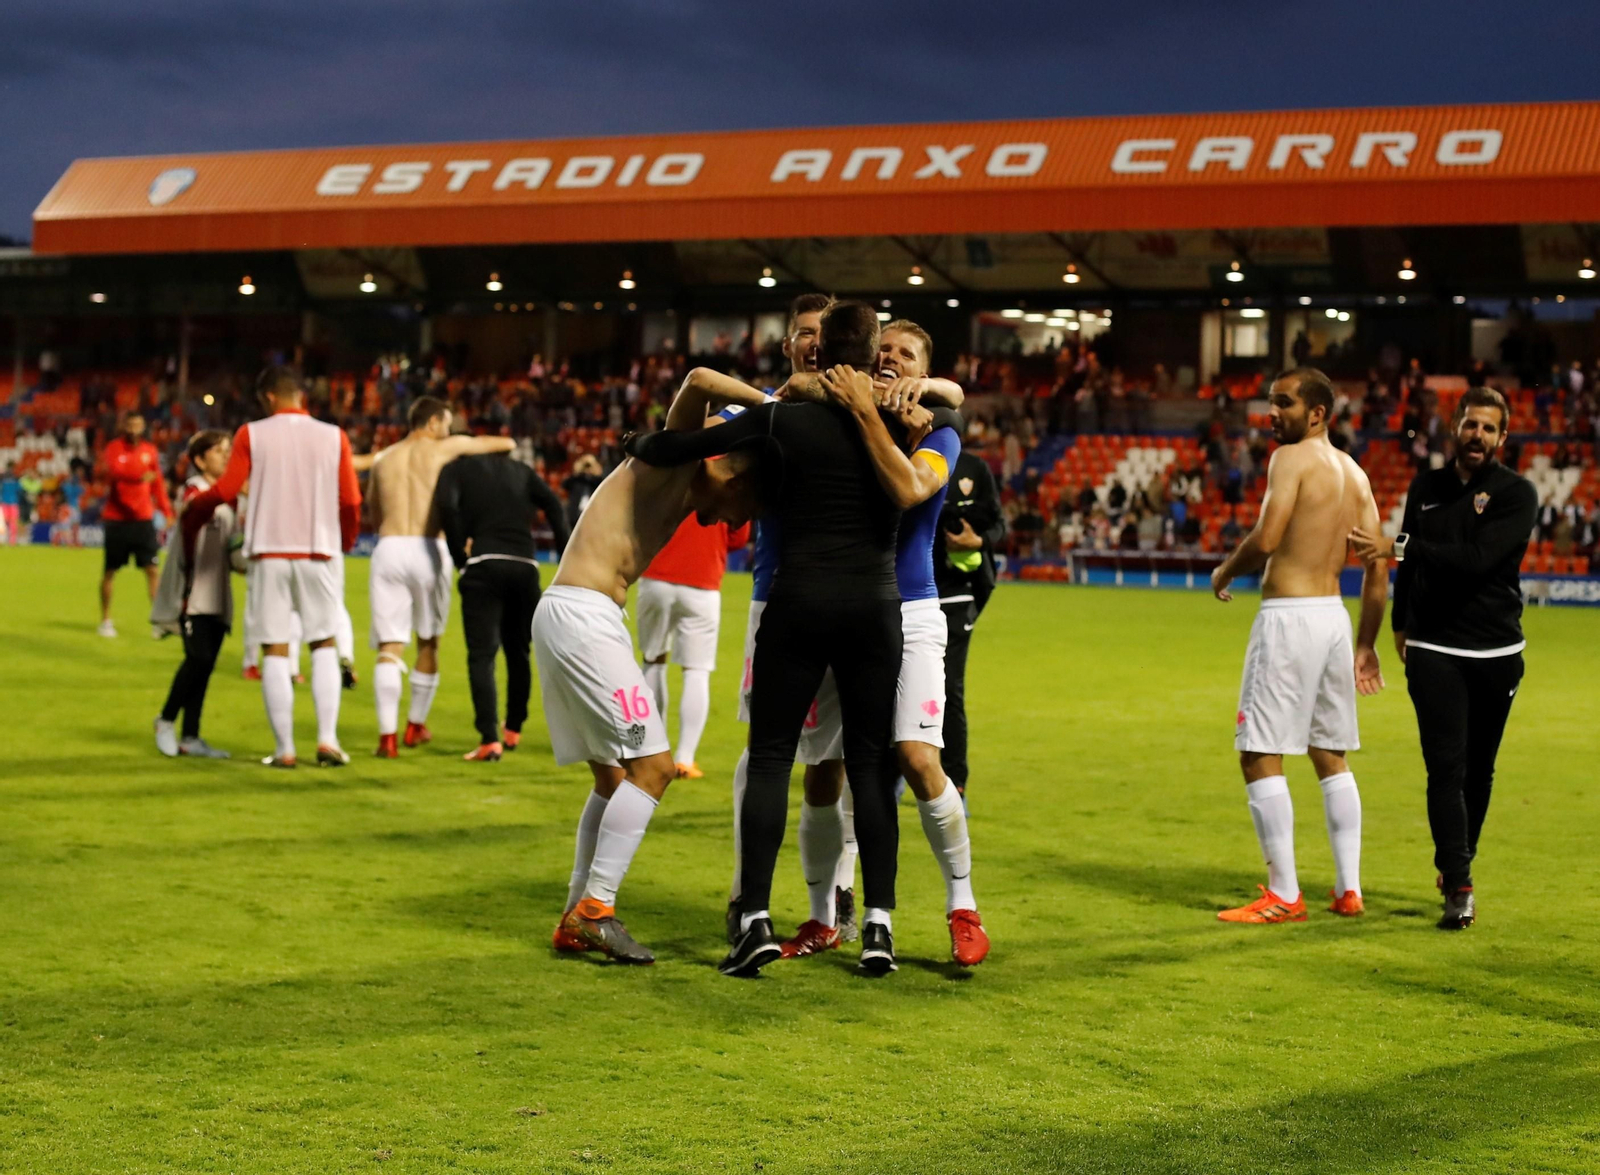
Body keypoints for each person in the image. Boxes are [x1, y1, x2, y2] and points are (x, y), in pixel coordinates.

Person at [628, 301, 948, 979]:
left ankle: (753, 919)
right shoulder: (904, 422)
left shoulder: (781, 418)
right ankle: (879, 927)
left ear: (819, 350)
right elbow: (947, 411)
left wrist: (640, 444)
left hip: (796, 601)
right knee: (869, 766)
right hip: (875, 609)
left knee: (772, 759)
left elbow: (682, 448)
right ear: (874, 357)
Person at [536, 367, 760, 965]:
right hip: (583, 617)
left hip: (575, 612)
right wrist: (771, 402)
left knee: (613, 781)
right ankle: (595, 911)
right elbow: (700, 379)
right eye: (742, 506)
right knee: (655, 768)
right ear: (731, 472)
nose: (728, 522)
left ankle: (576, 912)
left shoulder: (679, 477)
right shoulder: (673, 458)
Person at [784, 319, 989, 968]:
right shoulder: (843, 416)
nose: (892, 358)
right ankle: (824, 916)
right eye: (885, 351)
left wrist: (924, 394)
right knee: (823, 769)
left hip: (914, 609)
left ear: (923, 371)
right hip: (842, 608)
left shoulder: (941, 430)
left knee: (918, 758)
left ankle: (963, 905)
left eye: (907, 355)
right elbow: (797, 386)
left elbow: (914, 484)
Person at [1349, 387, 1536, 931]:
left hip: (1497, 649)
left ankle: (1460, 856)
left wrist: (1400, 546)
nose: (1477, 435)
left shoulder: (1517, 494)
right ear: (1455, 427)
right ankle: (1458, 883)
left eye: (1488, 428)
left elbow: (1478, 560)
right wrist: (1400, 624)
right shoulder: (1425, 487)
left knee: (1480, 769)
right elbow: (1410, 566)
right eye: (1470, 424)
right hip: (1434, 648)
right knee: (1445, 767)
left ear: (1502, 437)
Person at [1210, 367, 1388, 924]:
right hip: (1334, 619)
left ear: (1317, 414)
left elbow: (1267, 538)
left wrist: (1224, 570)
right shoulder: (1356, 474)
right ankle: (1349, 888)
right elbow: (1379, 567)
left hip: (1289, 618)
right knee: (1329, 752)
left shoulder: (1289, 459)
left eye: (1283, 403)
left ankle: (1284, 894)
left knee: (1259, 752)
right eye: (1270, 401)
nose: (1271, 412)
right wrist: (1366, 643)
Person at [183, 366, 361, 768]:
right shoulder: (334, 436)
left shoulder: (252, 433)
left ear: (268, 397)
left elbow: (227, 489)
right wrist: (345, 540)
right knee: (323, 643)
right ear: (302, 395)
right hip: (318, 552)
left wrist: (194, 508)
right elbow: (351, 500)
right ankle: (328, 740)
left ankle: (284, 749)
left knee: (275, 650)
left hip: (268, 553)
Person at [365, 398, 515, 757]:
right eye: (445, 424)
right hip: (428, 548)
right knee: (428, 641)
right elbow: (505, 444)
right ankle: (414, 725)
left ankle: (387, 737)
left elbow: (374, 508)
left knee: (389, 645)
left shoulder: (384, 458)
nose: (448, 431)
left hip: (388, 547)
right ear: (432, 422)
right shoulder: (443, 448)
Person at [434, 451, 571, 762]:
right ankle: (513, 728)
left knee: (482, 655)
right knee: (519, 652)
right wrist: (566, 553)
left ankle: (489, 740)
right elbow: (553, 503)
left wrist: (459, 556)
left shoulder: (457, 468)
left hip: (484, 564)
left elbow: (446, 505)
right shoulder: (522, 470)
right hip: (525, 567)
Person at [637, 513, 750, 779]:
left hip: (657, 576)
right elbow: (739, 535)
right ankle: (685, 759)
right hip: (703, 579)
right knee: (696, 671)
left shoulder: (664, 482)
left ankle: (654, 752)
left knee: (653, 661)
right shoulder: (727, 486)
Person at [152, 430, 237, 759]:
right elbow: (196, 512)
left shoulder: (228, 499)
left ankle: (191, 735)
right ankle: (165, 720)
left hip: (219, 595)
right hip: (194, 594)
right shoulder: (195, 491)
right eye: (219, 451)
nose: (226, 456)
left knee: (206, 667)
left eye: (229, 450)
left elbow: (232, 551)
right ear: (200, 460)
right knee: (197, 659)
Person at [935, 442, 1005, 798]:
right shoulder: (902, 457)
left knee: (949, 689)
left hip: (957, 595)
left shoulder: (974, 469)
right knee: (895, 688)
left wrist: (978, 541)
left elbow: (999, 526)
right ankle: (897, 769)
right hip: (906, 594)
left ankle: (955, 783)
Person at [97, 412, 173, 637]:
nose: (133, 429)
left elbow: (157, 482)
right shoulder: (114, 448)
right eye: (130, 425)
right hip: (117, 519)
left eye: (137, 425)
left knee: (152, 570)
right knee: (110, 572)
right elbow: (115, 472)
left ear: (143, 427)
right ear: (124, 426)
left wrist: (166, 510)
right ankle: (105, 620)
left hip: (143, 519)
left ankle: (158, 622)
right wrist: (141, 475)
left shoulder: (150, 450)